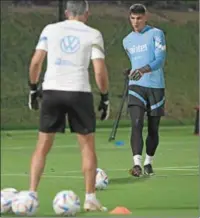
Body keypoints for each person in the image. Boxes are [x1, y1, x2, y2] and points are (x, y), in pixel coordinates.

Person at [28, 0, 109, 212]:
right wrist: (105, 97)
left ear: (66, 12)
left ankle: (32, 195)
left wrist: (33, 88)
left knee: (43, 145)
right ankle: (90, 198)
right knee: (87, 145)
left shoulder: (50, 29)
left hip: (52, 91)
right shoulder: (93, 34)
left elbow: (36, 62)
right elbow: (99, 71)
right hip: (79, 92)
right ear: (87, 14)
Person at [122, 3, 166, 177]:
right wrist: (132, 71)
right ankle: (137, 164)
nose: (135, 22)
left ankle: (149, 162)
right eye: (132, 18)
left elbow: (159, 60)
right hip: (136, 87)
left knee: (153, 128)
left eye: (139, 18)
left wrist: (143, 70)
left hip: (155, 87)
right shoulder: (126, 41)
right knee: (136, 123)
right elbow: (135, 62)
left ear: (145, 17)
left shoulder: (156, 34)